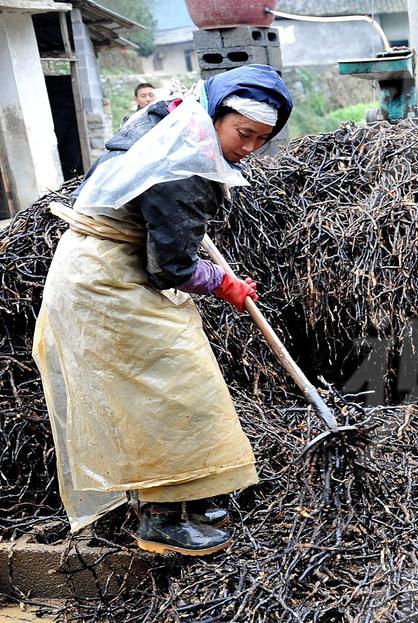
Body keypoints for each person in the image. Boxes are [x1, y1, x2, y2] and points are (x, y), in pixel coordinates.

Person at [33, 64, 292, 556]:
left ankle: (188, 498)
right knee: (166, 391)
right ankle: (162, 520)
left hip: (106, 265)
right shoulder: (183, 165)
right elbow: (170, 267)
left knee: (179, 383)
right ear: (216, 115)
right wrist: (222, 282)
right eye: (243, 133)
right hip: (106, 281)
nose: (250, 148)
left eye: (263, 139)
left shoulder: (175, 119)